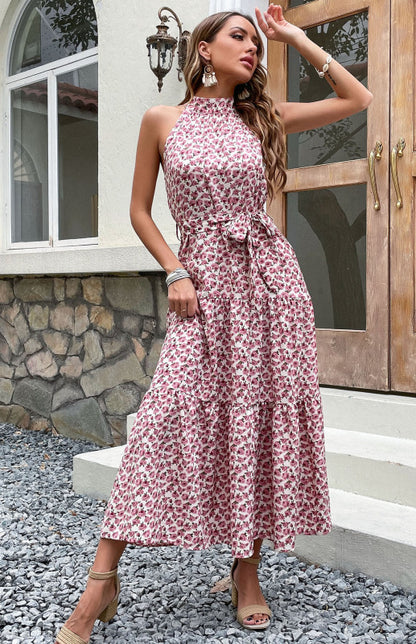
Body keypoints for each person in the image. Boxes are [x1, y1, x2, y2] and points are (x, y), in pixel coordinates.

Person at [55, 5, 372, 642]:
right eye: (241, 37)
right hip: (200, 285)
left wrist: (293, 36)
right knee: (164, 418)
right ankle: (101, 579)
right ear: (202, 48)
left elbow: (356, 97)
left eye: (256, 41)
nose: (252, 48)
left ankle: (245, 572)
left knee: (256, 419)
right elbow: (140, 210)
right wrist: (175, 271)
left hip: (268, 285)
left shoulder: (263, 118)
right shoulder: (161, 120)